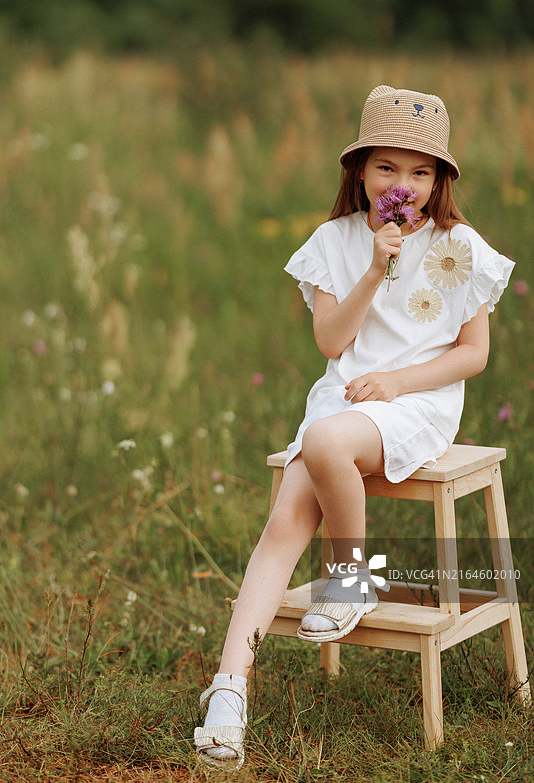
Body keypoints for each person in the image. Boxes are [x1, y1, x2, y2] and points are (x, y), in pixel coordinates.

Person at [193, 85, 514, 769]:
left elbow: (473, 353)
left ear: (440, 179)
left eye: (422, 172)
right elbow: (334, 346)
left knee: (326, 439)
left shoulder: (460, 244)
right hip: (343, 395)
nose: (405, 184)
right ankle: (229, 690)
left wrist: (398, 381)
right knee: (286, 518)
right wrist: (375, 267)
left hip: (417, 401)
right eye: (389, 168)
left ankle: (350, 577)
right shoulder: (332, 243)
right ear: (361, 170)